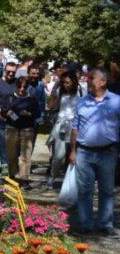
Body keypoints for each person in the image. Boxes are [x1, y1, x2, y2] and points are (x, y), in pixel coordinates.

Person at [69, 67, 120, 236]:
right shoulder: (82, 102)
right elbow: (75, 127)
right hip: (84, 152)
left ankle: (105, 224)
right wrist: (73, 151)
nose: (87, 80)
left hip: (108, 152)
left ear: (103, 81)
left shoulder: (116, 101)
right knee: (84, 191)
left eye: (91, 78)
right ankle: (85, 224)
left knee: (107, 190)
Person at [0, 69, 38, 187]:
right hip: (12, 128)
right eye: (19, 87)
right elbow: (3, 112)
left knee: (25, 155)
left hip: (27, 129)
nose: (22, 89)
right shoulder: (9, 98)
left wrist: (28, 114)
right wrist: (15, 114)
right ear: (16, 87)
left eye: (24, 87)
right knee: (11, 154)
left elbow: (37, 114)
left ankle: (24, 179)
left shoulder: (31, 99)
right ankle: (12, 175)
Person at [45, 70, 79, 189]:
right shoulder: (60, 92)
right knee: (58, 155)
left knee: (74, 154)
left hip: (75, 126)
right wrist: (55, 88)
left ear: (74, 82)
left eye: (68, 82)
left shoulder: (80, 92)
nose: (66, 85)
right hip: (61, 126)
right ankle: (52, 177)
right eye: (63, 82)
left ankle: (72, 181)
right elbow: (50, 106)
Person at [0, 61, 18, 174]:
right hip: (1, 117)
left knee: (16, 141)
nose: (11, 74)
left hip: (15, 117)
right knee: (3, 141)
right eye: (8, 72)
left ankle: (14, 164)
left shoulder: (18, 83)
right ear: (4, 70)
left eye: (13, 72)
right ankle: (4, 164)